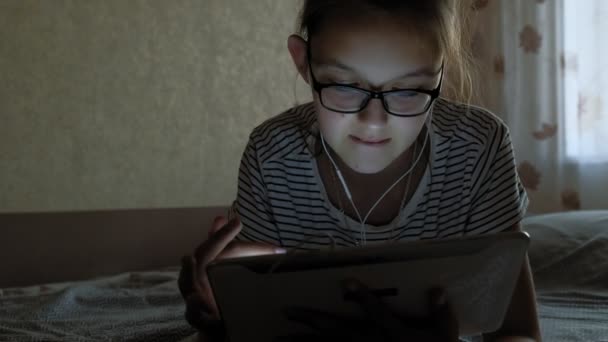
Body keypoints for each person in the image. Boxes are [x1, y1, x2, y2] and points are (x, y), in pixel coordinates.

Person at [179, 0, 542, 341]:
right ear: (303, 62)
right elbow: (252, 322)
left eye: (410, 90)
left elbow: (519, 332)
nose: (373, 122)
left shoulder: (478, 147)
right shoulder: (272, 155)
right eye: (345, 86)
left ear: (441, 71)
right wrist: (220, 324)